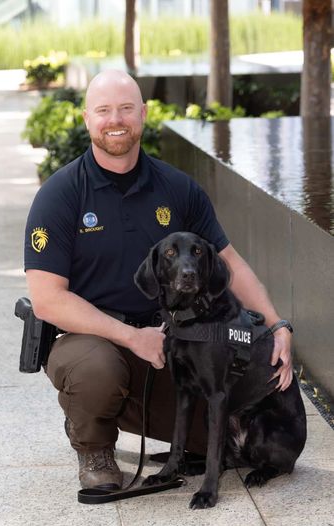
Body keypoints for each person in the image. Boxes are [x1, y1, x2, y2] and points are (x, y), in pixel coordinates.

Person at [24, 69, 293, 490]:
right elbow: (48, 300)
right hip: (95, 336)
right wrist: (132, 338)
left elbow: (231, 265)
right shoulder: (61, 195)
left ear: (144, 114)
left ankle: (192, 441)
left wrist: (276, 325)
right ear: (86, 119)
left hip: (173, 339)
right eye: (104, 110)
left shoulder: (178, 188)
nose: (116, 119)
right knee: (95, 372)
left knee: (224, 427)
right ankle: (94, 445)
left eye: (126, 108)